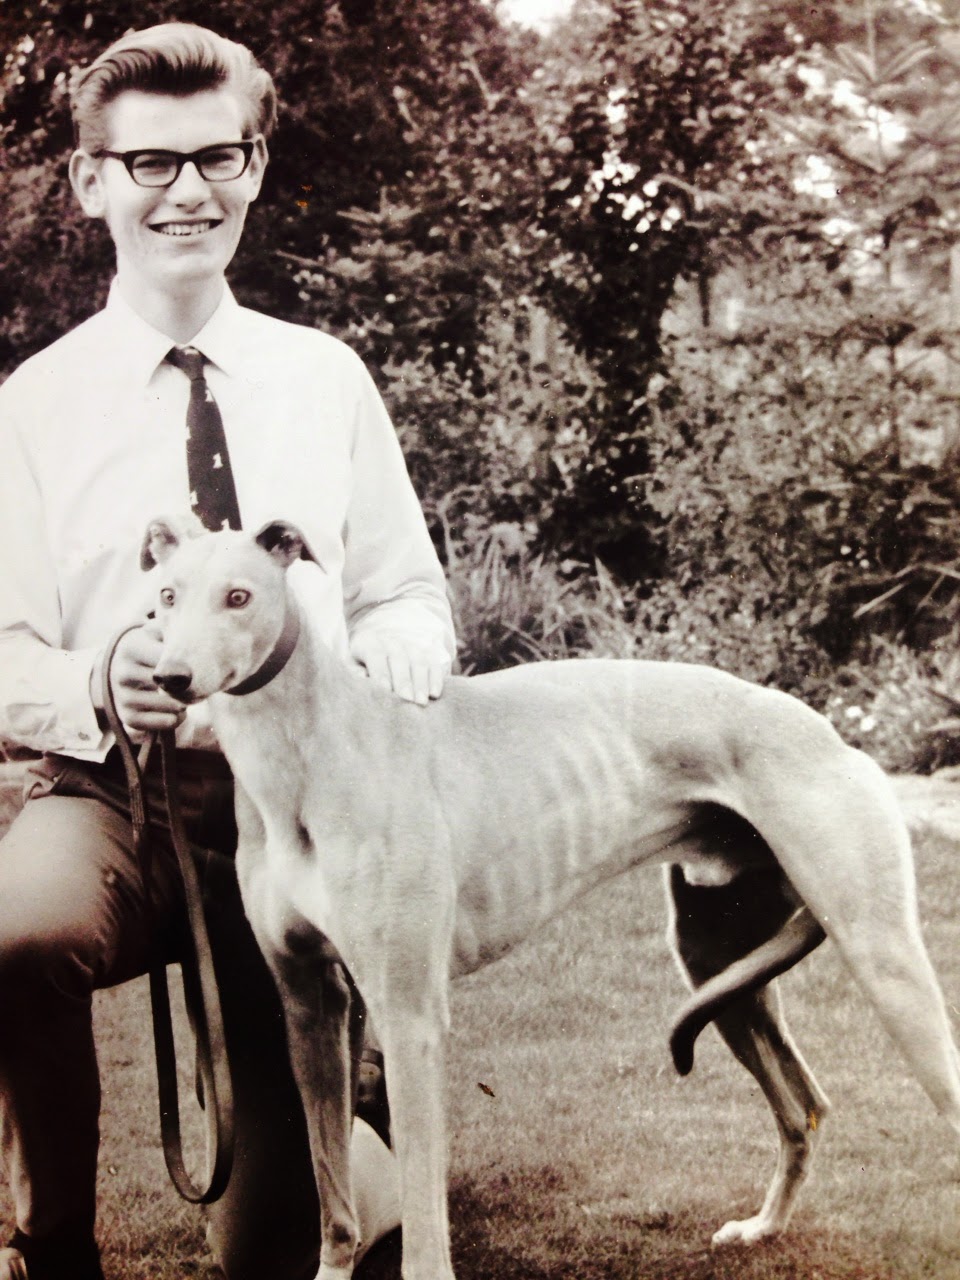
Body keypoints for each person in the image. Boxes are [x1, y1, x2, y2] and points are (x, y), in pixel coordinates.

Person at [0, 21, 455, 1280]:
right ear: (91, 180)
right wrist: (103, 677)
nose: (188, 191)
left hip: (304, 809)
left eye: (218, 156)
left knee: (290, 1250)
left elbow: (407, 591)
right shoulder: (33, 404)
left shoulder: (326, 378)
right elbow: (3, 644)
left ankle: (338, 1121)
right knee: (17, 930)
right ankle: (53, 1243)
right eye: (150, 163)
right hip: (120, 798)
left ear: (256, 166)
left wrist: (386, 670)